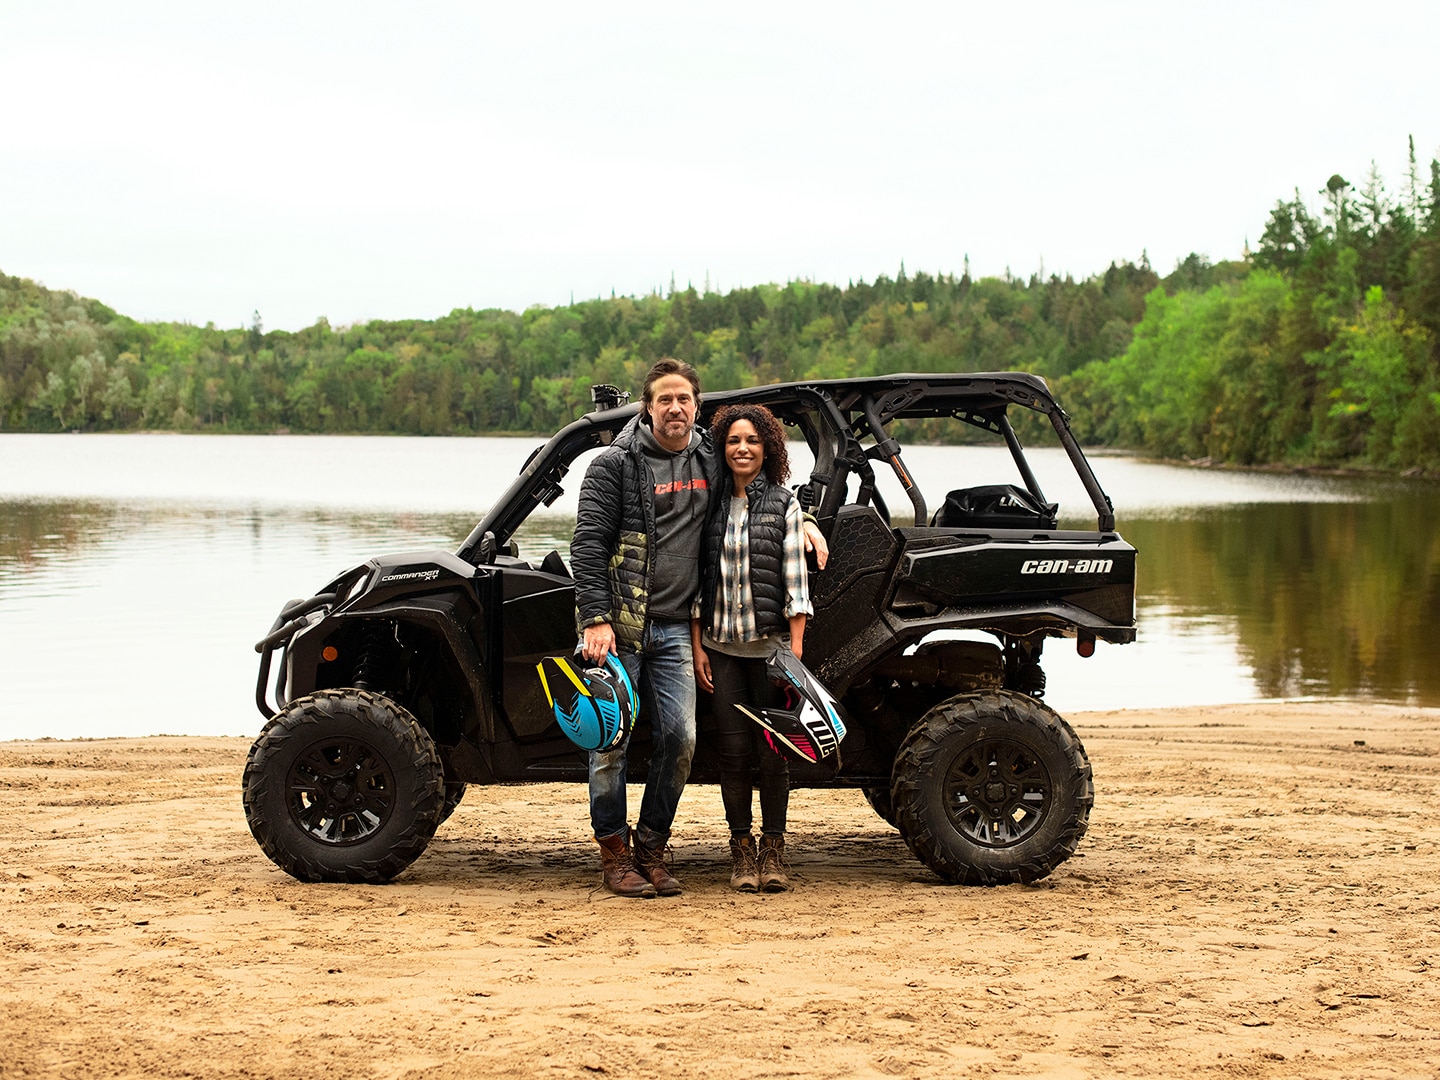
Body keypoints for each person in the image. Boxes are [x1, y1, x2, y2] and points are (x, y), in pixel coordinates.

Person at [571, 360, 827, 899]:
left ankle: (652, 846)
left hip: (677, 628)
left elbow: (759, 488)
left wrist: (805, 521)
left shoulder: (707, 456)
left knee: (682, 739)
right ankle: (615, 855)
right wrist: (595, 618)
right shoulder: (612, 466)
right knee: (609, 743)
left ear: (696, 406)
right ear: (648, 406)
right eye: (664, 399)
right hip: (620, 627)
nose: (675, 409)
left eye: (684, 399)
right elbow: (588, 547)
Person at [692, 403, 813, 893]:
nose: (742, 449)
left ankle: (774, 850)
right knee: (733, 751)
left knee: (774, 754)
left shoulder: (784, 504)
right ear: (722, 450)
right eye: (733, 442)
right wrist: (699, 645)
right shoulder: (710, 506)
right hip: (721, 648)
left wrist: (795, 649)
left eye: (752, 441)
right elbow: (699, 581)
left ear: (767, 448)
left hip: (770, 650)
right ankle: (741, 851)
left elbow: (794, 580)